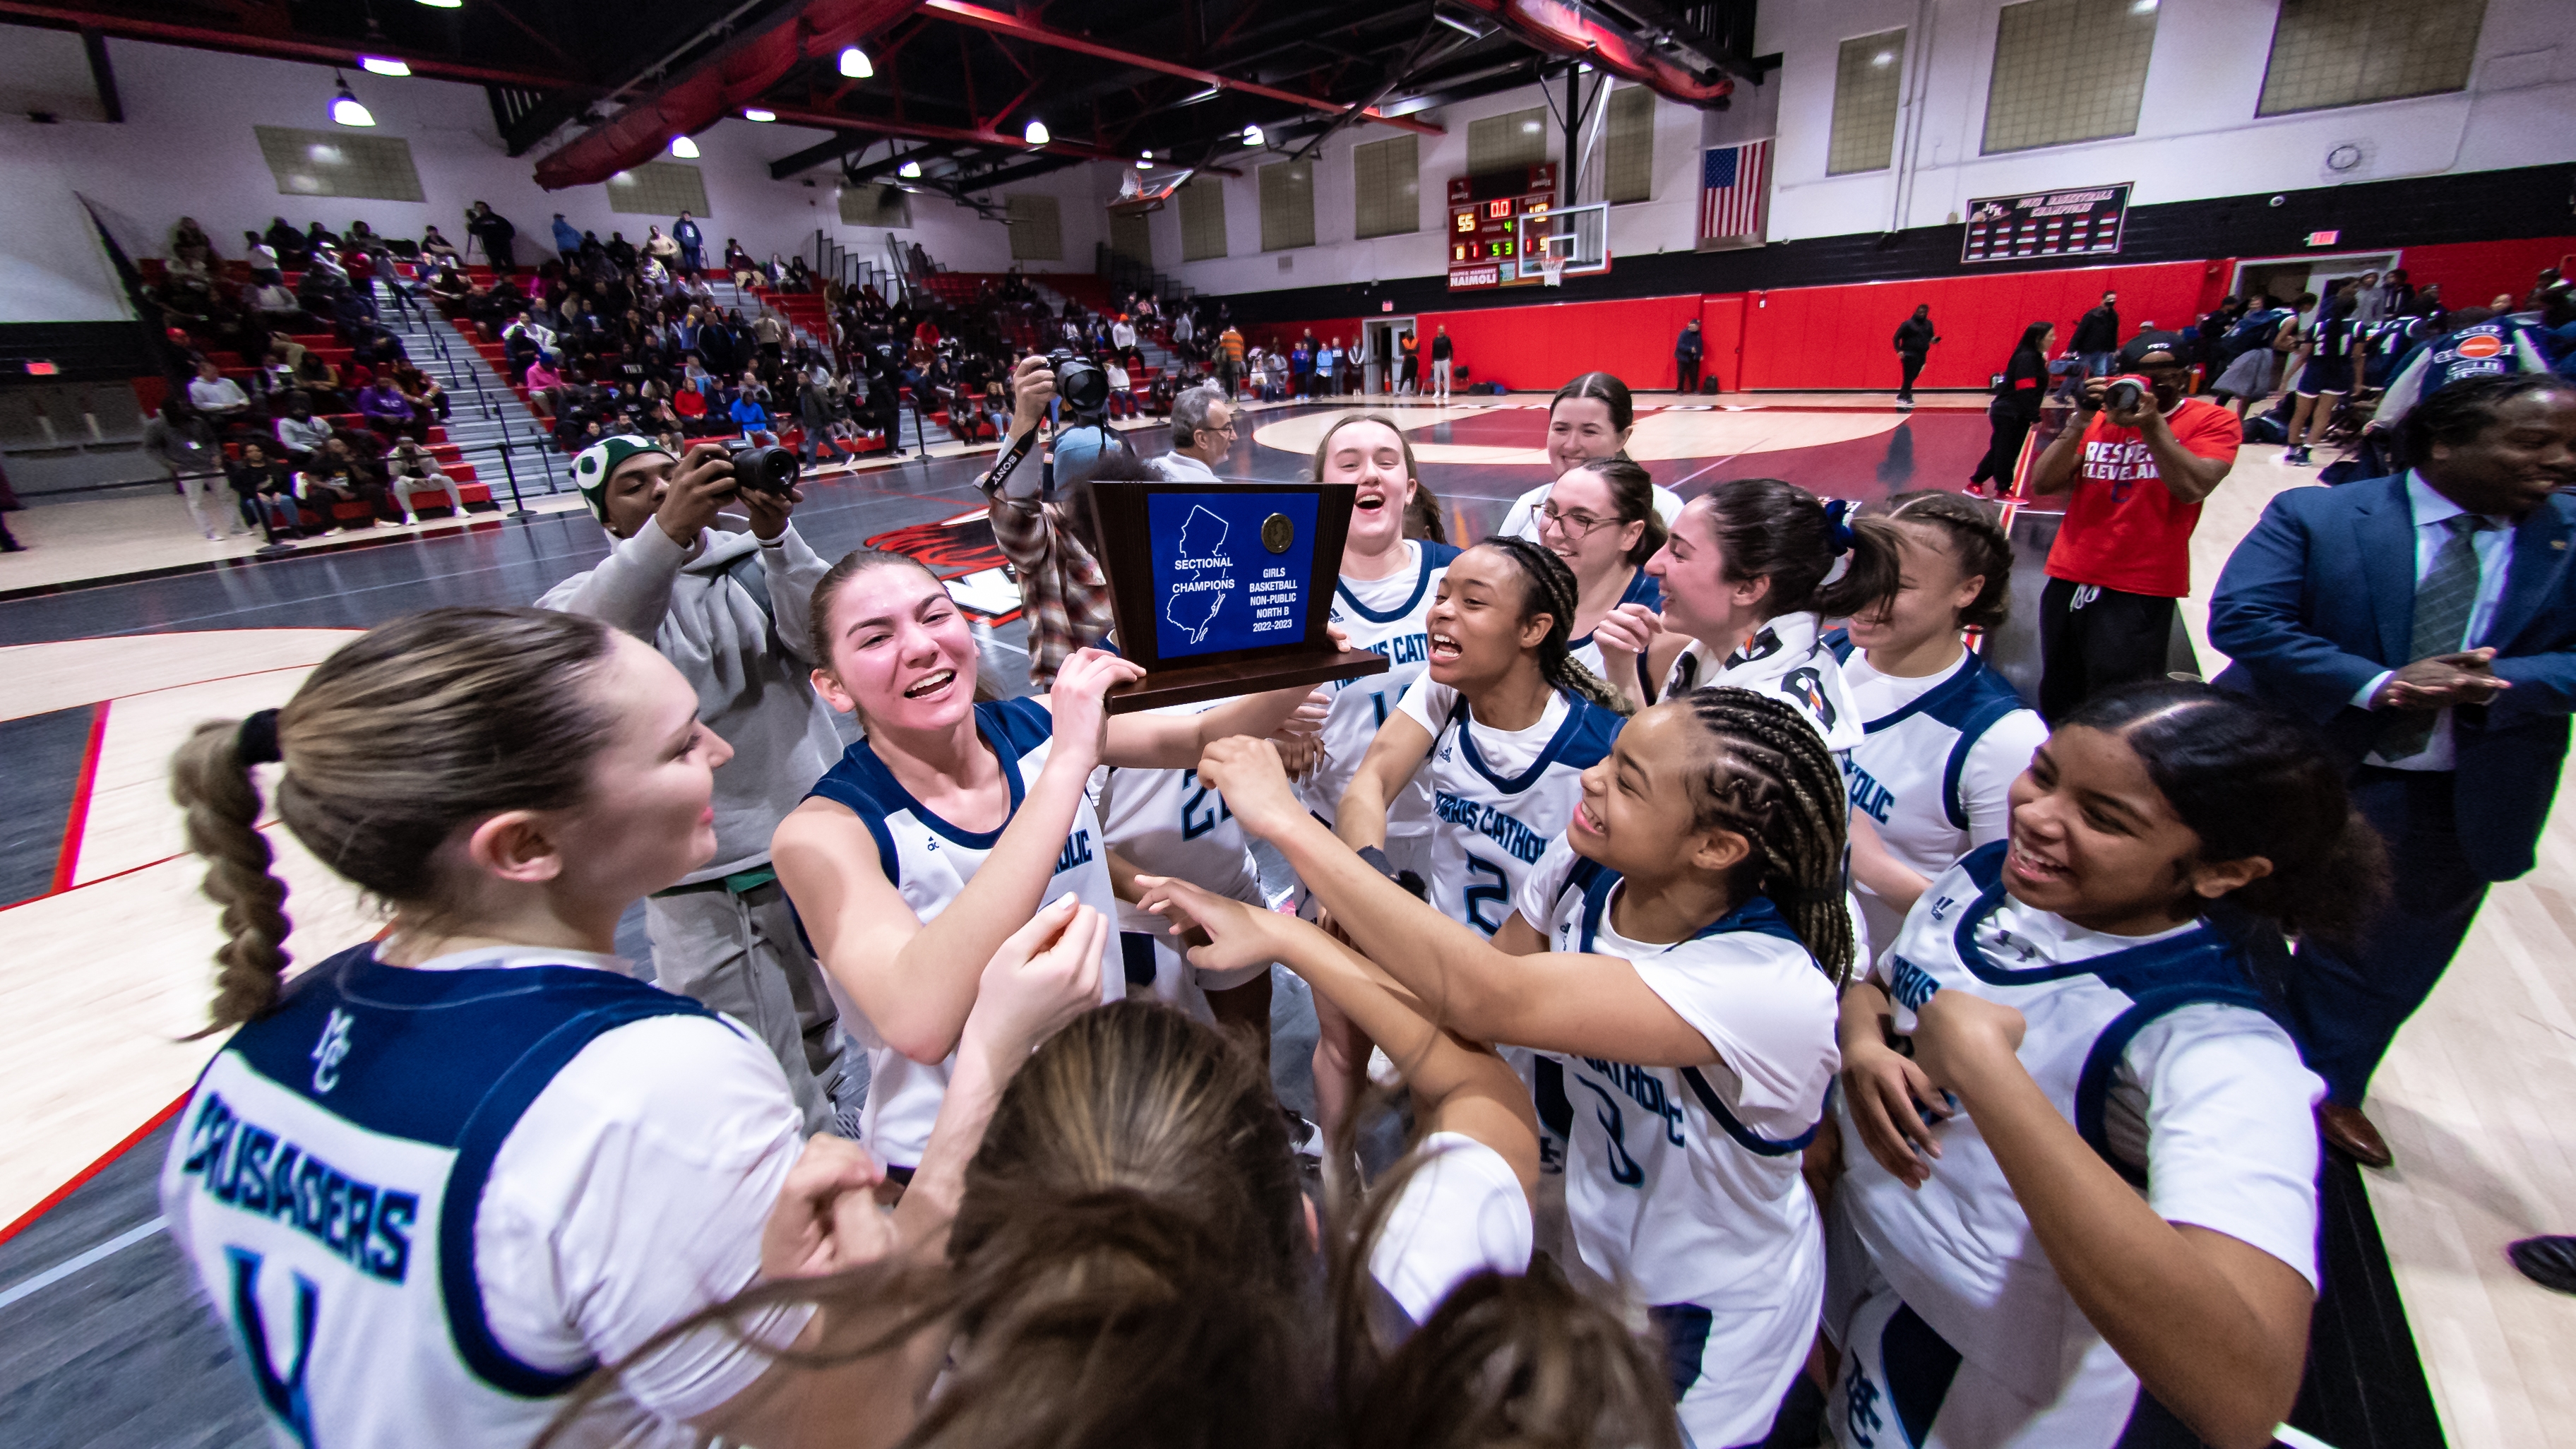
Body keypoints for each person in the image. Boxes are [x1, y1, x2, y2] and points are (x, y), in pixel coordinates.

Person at [161, 606, 1105, 1449]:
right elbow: (847, 1425)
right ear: (526, 844)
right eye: (676, 747)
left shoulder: (252, 1056)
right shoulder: (642, 1084)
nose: (720, 753)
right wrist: (987, 1059)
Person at [1189, 684, 1850, 1449]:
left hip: (1701, 1307)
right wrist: (1290, 941)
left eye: (1627, 780)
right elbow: (1460, 1012)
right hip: (1587, 1247)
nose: (1592, 778)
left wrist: (1286, 824)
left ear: (1717, 849)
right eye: (1609, 755)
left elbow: (1486, 996)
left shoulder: (1765, 985)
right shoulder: (1585, 865)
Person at [1831, 681, 2382, 1449]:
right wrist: (1863, 1040)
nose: (2038, 816)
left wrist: (1991, 1076)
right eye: (2046, 775)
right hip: (1874, 1268)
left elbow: (2244, 1395)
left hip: (1991, 1367)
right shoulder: (1992, 877)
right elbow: (1884, 989)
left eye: (2104, 818)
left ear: (2223, 872)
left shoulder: (2219, 1046)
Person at [771, 556, 1314, 1177]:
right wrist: (1068, 764)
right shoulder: (823, 833)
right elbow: (919, 1021)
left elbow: (1202, 737)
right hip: (964, 1156)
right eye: (876, 636)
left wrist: (1310, 657)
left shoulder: (1033, 725)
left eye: (935, 616)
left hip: (1099, 1110)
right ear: (833, 687)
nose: (919, 646)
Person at [2208, 374, 2576, 1169]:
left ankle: (2324, 1089)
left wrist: (2507, 682)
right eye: (2534, 442)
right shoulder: (2320, 513)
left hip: (2456, 785)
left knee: (2386, 953)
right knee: (2223, 918)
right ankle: (2197, 1063)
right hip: (2291, 766)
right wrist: (2385, 684)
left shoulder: (2571, 535)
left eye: (2568, 446)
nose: (2558, 462)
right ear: (2444, 441)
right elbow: (2245, 617)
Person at [537, 437, 853, 1135]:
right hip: (701, 874)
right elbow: (596, 654)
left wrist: (776, 535)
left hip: (812, 838)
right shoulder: (576, 601)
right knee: (748, 1056)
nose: (660, 488)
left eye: (666, 474)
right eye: (635, 486)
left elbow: (823, 640)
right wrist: (667, 534)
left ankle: (833, 1149)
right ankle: (803, 1187)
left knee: (825, 1030)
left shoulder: (749, 566)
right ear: (607, 518)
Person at [1830, 491, 2046, 949]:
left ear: (1968, 590)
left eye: (1899, 585)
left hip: (1882, 994)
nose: (1867, 595)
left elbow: (2004, 932)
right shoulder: (1826, 656)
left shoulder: (2003, 738)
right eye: (1860, 572)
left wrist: (1871, 868)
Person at [2025, 330, 2241, 722]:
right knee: (2059, 687)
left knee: (2122, 702)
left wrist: (2152, 424)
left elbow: (2192, 487)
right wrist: (2079, 422)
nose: (2155, 382)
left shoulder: (2212, 420)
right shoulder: (2101, 418)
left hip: (2140, 582)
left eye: (2166, 373)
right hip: (2071, 572)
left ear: (2185, 375)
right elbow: (2044, 482)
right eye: (2141, 374)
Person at [1591, 478, 1887, 750]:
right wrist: (1623, 672)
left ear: (1748, 588)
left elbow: (1654, 792)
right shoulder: (1722, 657)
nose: (1653, 564)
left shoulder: (1762, 729)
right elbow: (1651, 757)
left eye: (1679, 553)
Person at [1498, 374, 1685, 542]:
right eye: (1561, 429)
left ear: (1622, 438)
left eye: (1589, 432)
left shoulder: (1665, 509)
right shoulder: (1527, 506)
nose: (1571, 445)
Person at [1530, 458, 1666, 688]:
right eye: (1550, 512)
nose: (1553, 533)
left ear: (1630, 534)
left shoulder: (1661, 621)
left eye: (1581, 519)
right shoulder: (1521, 591)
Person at [1969, 321, 2054, 496]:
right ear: (2038, 338)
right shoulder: (2027, 358)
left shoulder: (2035, 357)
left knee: (2000, 450)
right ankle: (2003, 489)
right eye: (2050, 336)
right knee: (2006, 452)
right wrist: (2035, 416)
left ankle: (1976, 482)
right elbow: (2026, 389)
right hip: (2010, 413)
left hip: (2016, 412)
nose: (2054, 339)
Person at [2282, 294, 2364, 467]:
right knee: (2323, 414)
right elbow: (2357, 357)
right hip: (2339, 373)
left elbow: (2304, 355)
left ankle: (2291, 450)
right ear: (2353, 309)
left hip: (2314, 371)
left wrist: (2286, 378)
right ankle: (2305, 452)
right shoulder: (2357, 327)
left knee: (2300, 413)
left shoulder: (2318, 326)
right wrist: (2358, 382)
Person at [143, 399, 232, 540]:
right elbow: (151, 448)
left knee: (225, 497)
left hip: (210, 463)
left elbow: (211, 440)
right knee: (196, 502)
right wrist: (169, 463)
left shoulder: (197, 422)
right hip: (186, 468)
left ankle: (237, 528)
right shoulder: (157, 426)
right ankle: (209, 533)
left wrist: (216, 454)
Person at [1152, 383, 1234, 482]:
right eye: (1226, 429)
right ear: (1202, 439)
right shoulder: (1214, 491)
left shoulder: (1153, 467)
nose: (1234, 436)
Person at [385, 437, 468, 524]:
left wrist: (432, 477)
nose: (407, 446)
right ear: (399, 445)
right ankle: (410, 514)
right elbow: (395, 476)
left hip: (427, 481)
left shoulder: (424, 452)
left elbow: (437, 470)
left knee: (447, 479)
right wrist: (415, 481)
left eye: (410, 443)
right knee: (398, 485)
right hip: (410, 484)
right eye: (404, 443)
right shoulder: (393, 456)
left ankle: (459, 508)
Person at [1892, 304, 1938, 409]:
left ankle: (1902, 395)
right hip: (1909, 353)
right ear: (1916, 311)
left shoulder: (1928, 324)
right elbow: (1896, 337)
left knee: (1914, 374)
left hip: (1922, 353)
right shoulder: (1908, 324)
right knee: (1908, 376)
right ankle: (1906, 396)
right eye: (1920, 312)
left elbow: (1930, 337)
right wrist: (1899, 350)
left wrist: (1934, 340)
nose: (1922, 314)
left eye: (1924, 312)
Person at [2070, 292, 2121, 381]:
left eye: (2114, 300)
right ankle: (2069, 392)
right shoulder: (2091, 315)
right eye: (2109, 299)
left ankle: (2097, 391)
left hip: (2102, 349)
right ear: (2102, 300)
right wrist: (2072, 348)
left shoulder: (2113, 316)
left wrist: (2112, 348)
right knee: (2081, 372)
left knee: (2100, 372)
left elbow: (2114, 333)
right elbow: (2080, 332)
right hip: (2086, 349)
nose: (2111, 302)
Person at [1673, 317, 1705, 395]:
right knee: (1681, 375)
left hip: (1693, 358)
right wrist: (1690, 349)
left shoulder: (1698, 334)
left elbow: (1700, 344)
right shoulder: (1684, 334)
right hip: (1683, 358)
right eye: (1697, 326)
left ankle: (1694, 389)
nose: (1698, 327)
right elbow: (1680, 346)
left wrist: (1701, 354)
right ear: (1692, 325)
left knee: (1694, 374)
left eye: (1698, 326)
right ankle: (1680, 390)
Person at [1430, 325, 1454, 402]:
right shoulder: (1435, 340)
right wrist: (1432, 362)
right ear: (1438, 330)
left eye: (1443, 329)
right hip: (1437, 360)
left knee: (1446, 376)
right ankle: (1437, 392)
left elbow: (1451, 349)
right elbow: (1433, 351)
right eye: (1440, 330)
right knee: (1436, 376)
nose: (1442, 331)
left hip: (1445, 360)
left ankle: (1446, 392)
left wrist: (1451, 359)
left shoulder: (1447, 339)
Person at [1397, 328, 1420, 396]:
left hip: (1414, 360)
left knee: (1412, 376)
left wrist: (1408, 350)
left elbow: (1417, 350)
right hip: (1407, 360)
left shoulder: (1416, 341)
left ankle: (1412, 391)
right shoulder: (1404, 341)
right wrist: (1411, 350)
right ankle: (1399, 391)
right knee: (1403, 376)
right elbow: (1403, 350)